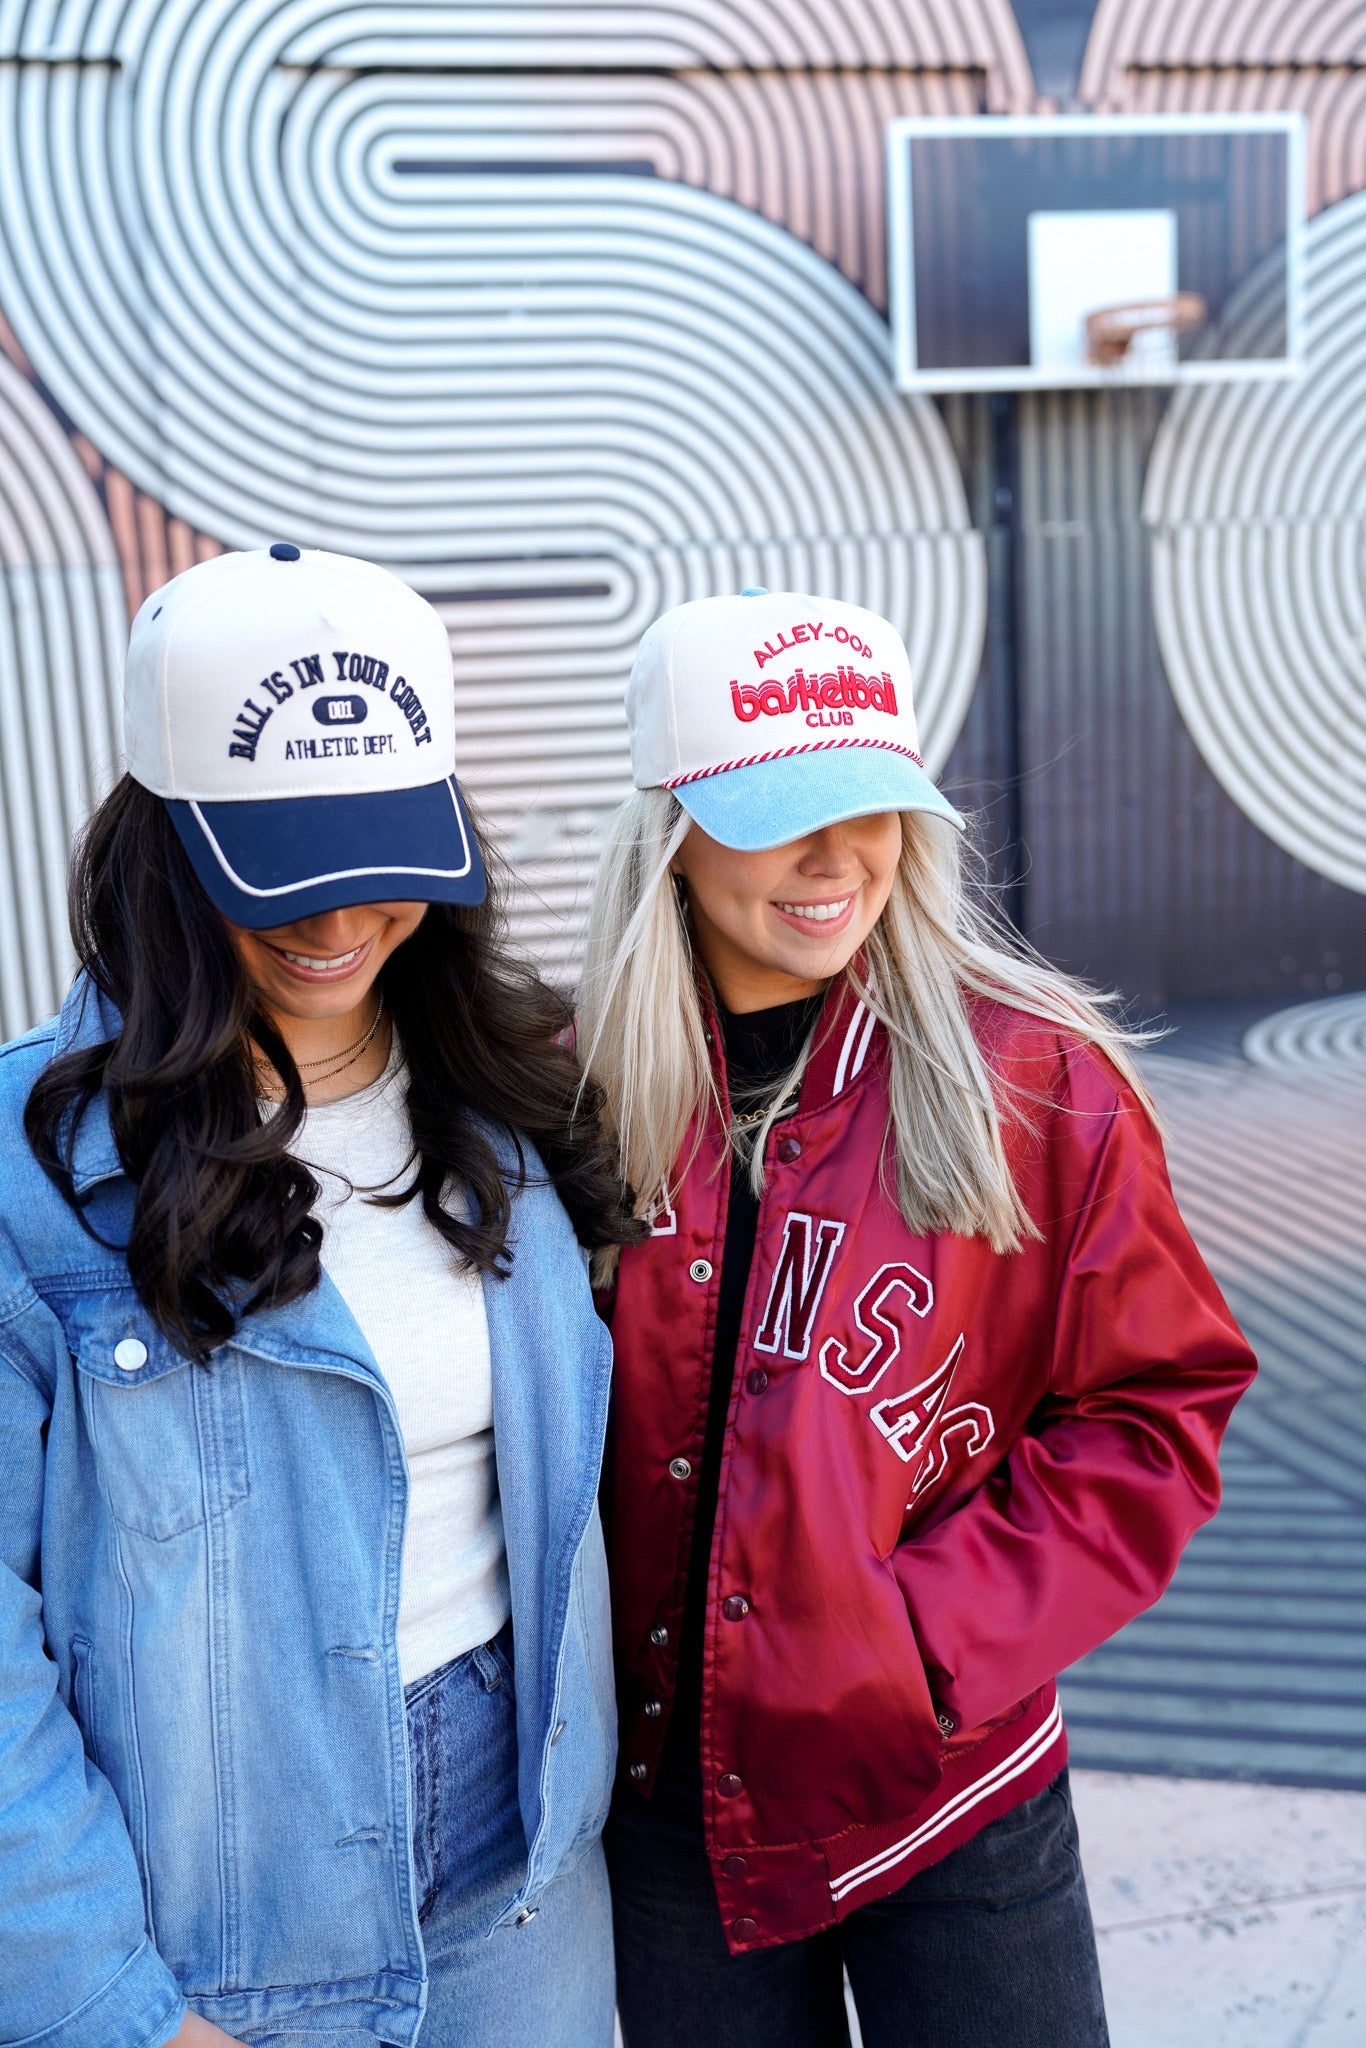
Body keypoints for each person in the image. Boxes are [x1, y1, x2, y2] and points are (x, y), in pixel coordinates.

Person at [578, 588, 1257, 2048]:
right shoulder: (564, 1096)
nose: (839, 857)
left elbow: (1156, 1412)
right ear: (670, 828)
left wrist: (922, 1643)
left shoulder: (1036, 1083)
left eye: (872, 805)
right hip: (666, 1815)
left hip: (952, 1795)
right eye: (781, 814)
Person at [0, 547, 636, 2048]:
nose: (341, 914)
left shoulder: (512, 1102)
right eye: (279, 866)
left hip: (520, 1887)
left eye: (382, 848)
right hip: (204, 1925)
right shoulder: (31, 1166)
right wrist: (105, 2000)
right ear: (162, 850)